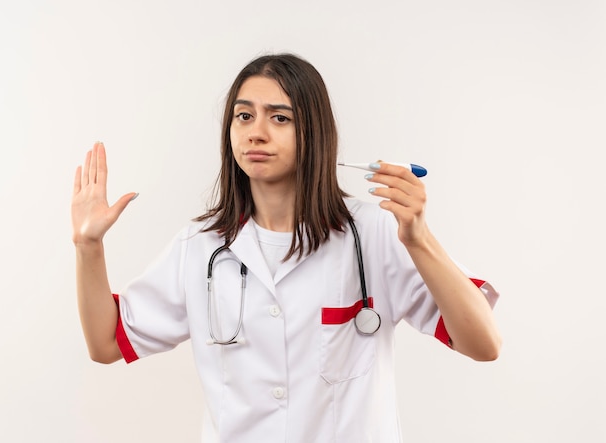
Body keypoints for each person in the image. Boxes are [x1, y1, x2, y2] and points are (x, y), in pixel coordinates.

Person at [71, 53, 501, 442]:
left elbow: (484, 344)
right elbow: (107, 343)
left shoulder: (373, 234)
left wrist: (418, 238)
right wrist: (88, 246)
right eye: (243, 116)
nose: (256, 133)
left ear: (314, 132)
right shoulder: (202, 247)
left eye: (279, 118)